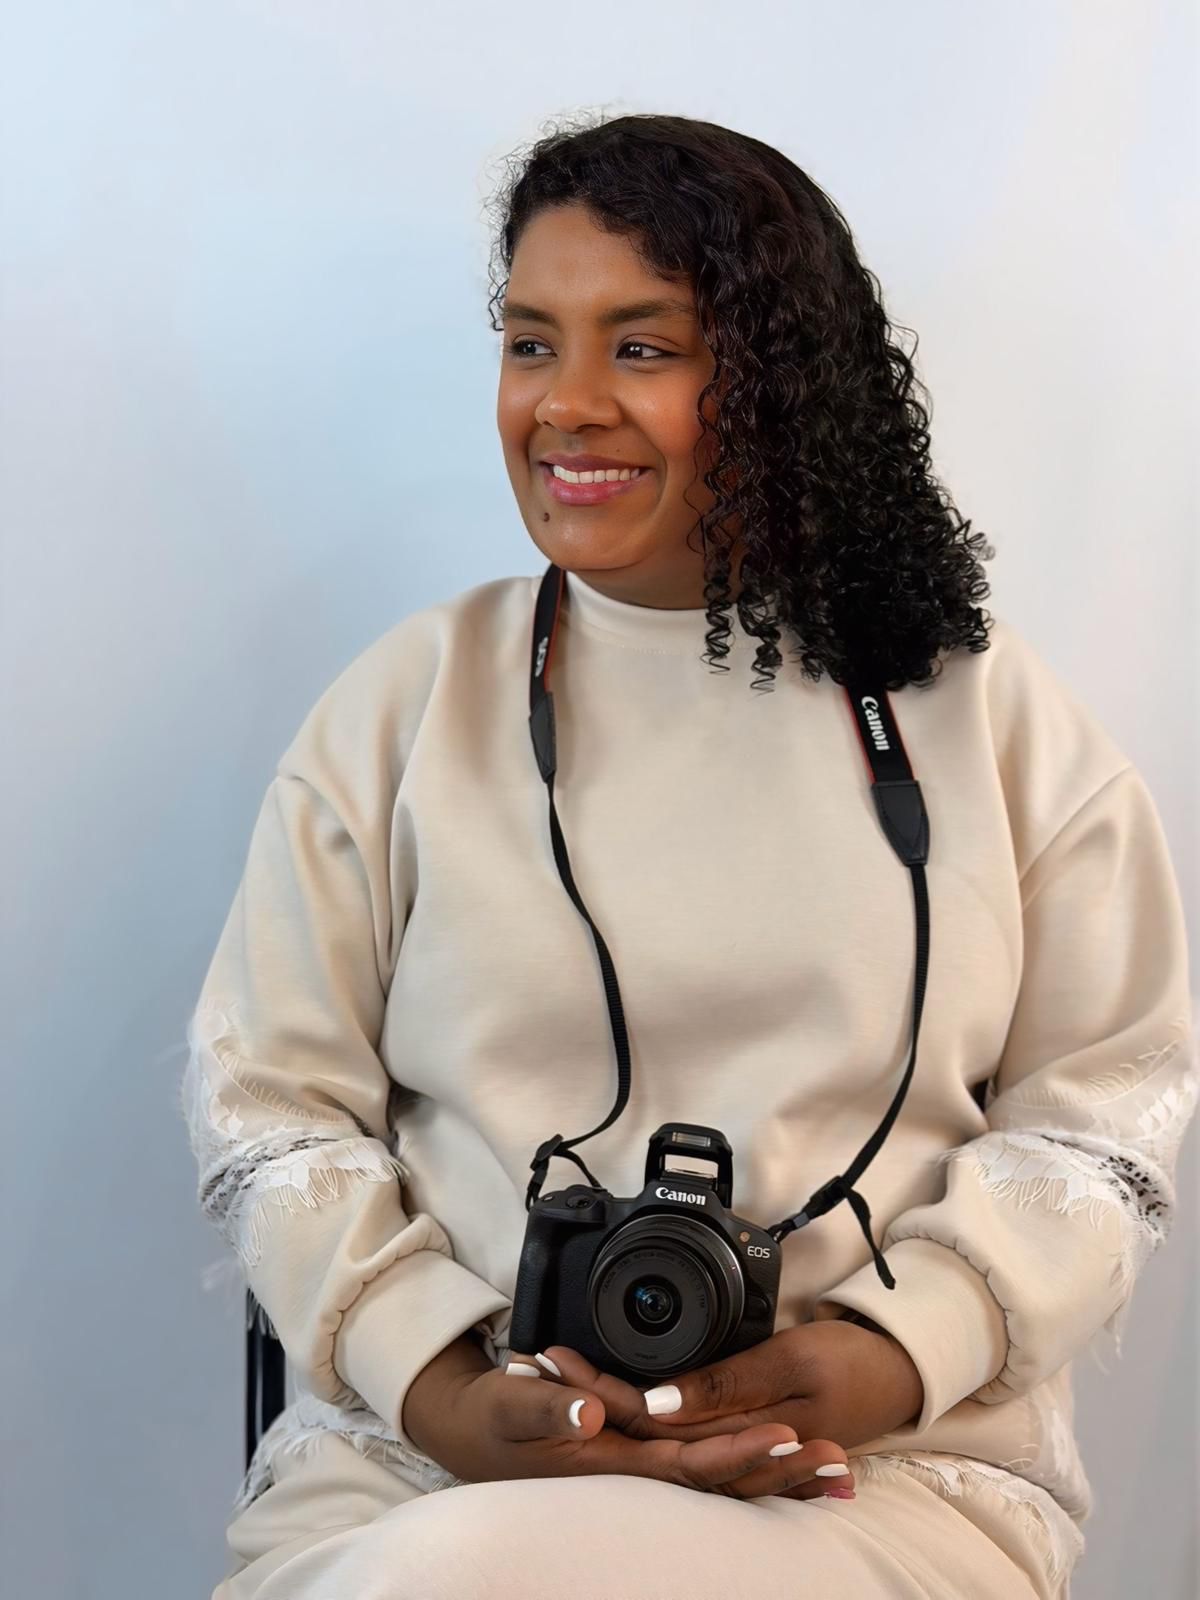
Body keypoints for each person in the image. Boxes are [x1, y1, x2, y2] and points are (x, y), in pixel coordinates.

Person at [181, 113, 1197, 1600]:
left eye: (642, 349)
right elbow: (272, 1113)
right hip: (417, 1472)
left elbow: (1103, 1114)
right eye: (532, 344)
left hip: (877, 1473)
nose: (565, 406)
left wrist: (890, 1354)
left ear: (782, 382)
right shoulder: (406, 708)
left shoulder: (982, 720)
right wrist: (445, 1385)